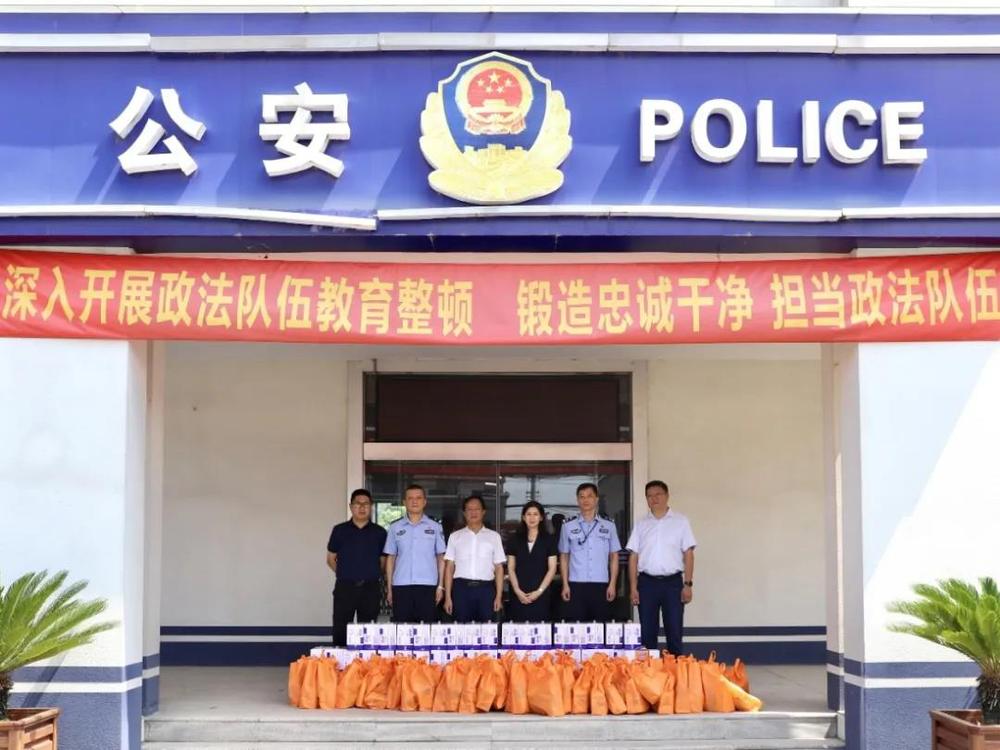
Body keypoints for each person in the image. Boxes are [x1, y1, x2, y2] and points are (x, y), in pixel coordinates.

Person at [626, 480, 696, 654]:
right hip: (647, 583)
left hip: (673, 584)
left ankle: (676, 666)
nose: (654, 498)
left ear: (667, 496)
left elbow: (688, 554)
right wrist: (633, 588)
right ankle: (650, 668)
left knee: (674, 629)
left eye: (658, 494)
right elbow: (633, 556)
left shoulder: (680, 522)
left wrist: (688, 584)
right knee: (647, 631)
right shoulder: (641, 524)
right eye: (649, 496)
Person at [326, 488, 388, 646]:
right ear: (351, 506)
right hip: (345, 587)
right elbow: (331, 559)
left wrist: (371, 573)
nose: (362, 507)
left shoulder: (380, 533)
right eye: (357, 503)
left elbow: (383, 562)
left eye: (366, 504)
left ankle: (365, 661)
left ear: (371, 506)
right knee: (341, 628)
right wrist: (344, 573)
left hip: (370, 588)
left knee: (367, 631)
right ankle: (340, 660)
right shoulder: (339, 530)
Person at [559, 482, 622, 622]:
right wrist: (565, 584)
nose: (585, 500)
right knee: (576, 626)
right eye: (581, 496)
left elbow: (614, 557)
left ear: (596, 499)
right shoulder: (568, 526)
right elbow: (564, 557)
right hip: (576, 584)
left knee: (601, 626)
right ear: (577, 500)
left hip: (601, 584)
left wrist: (612, 584)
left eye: (589, 496)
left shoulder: (609, 525)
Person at [383, 484, 446, 622]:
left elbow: (440, 557)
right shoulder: (395, 527)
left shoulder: (435, 527)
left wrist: (440, 586)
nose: (414, 501)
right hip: (401, 586)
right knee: (402, 628)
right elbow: (390, 558)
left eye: (418, 498)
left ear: (424, 501)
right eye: (410, 498)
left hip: (428, 586)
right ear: (404, 502)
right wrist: (390, 588)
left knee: (427, 629)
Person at [443, 495, 506, 622]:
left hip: (486, 590)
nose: (473, 512)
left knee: (488, 628)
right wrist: (448, 597)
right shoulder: (455, 537)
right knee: (461, 628)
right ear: (464, 513)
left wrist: (499, 596)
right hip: (461, 590)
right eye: (469, 509)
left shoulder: (494, 537)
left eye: (477, 509)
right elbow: (449, 568)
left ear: (483, 512)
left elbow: (499, 568)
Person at [506, 500, 558, 622]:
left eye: (535, 514)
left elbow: (552, 569)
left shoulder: (549, 540)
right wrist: (517, 590)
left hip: (541, 593)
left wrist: (539, 592)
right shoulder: (514, 539)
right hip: (519, 594)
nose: (532, 518)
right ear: (523, 517)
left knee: (540, 629)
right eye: (528, 514)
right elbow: (511, 568)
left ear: (541, 518)